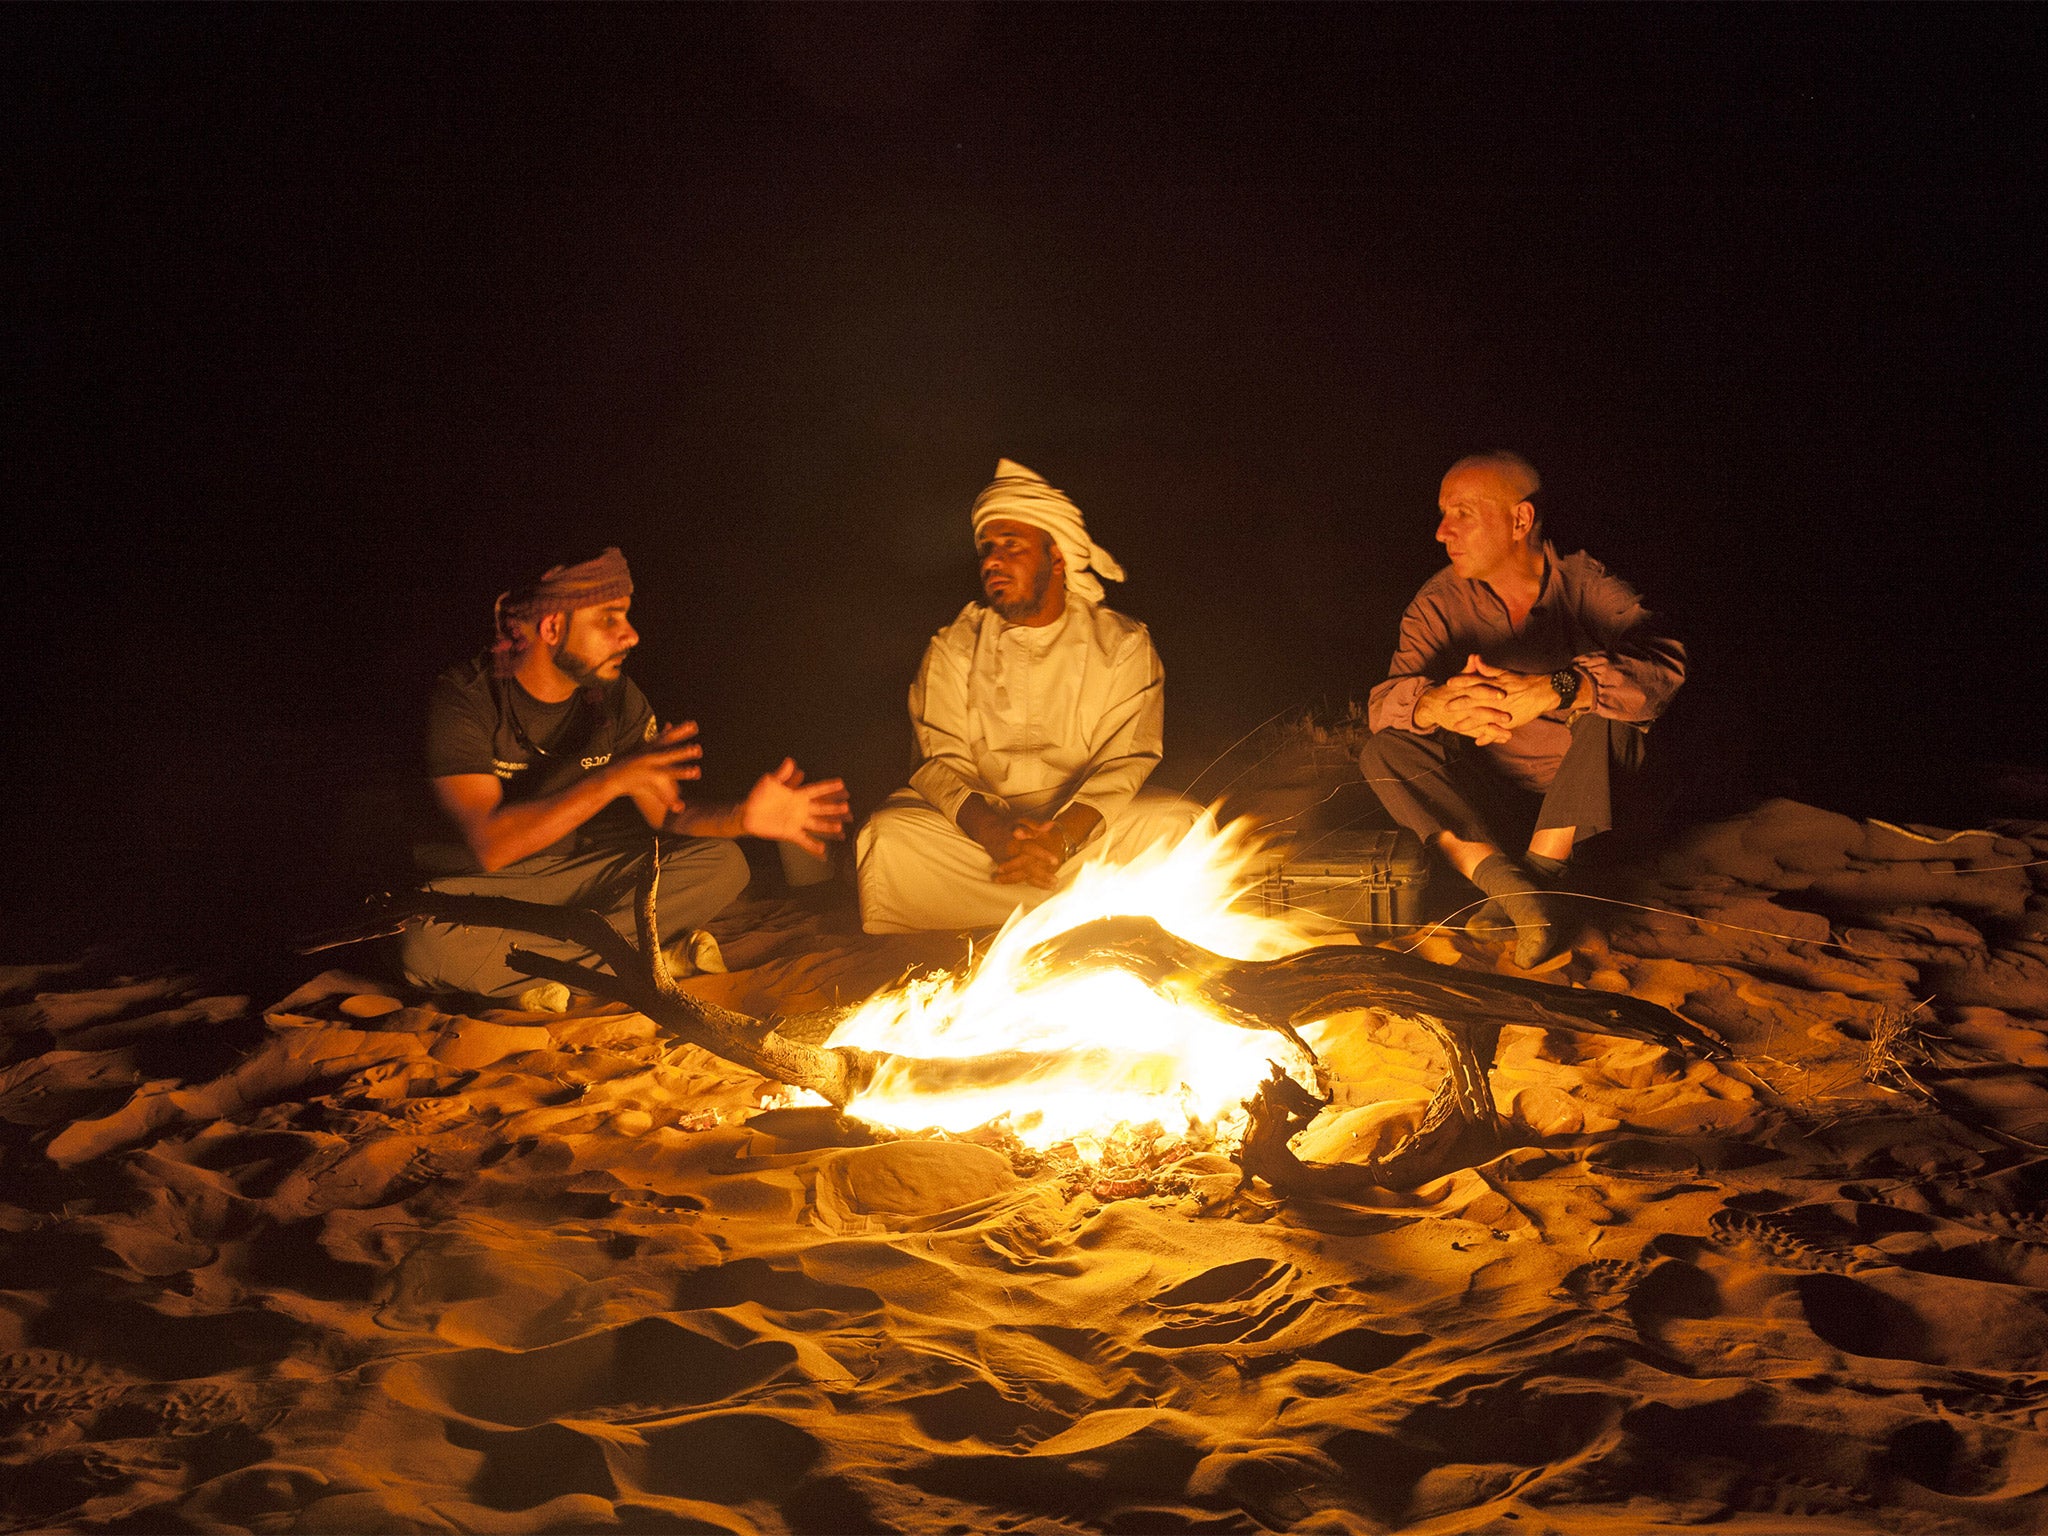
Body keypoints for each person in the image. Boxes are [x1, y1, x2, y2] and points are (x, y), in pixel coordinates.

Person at [401, 547, 849, 1006]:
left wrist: (743, 817)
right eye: (608, 620)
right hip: (477, 885)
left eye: (627, 618)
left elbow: (671, 813)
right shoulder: (466, 698)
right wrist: (614, 778)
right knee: (421, 944)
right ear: (553, 627)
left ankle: (545, 970)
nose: (630, 636)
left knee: (723, 861)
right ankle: (643, 963)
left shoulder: (613, 698)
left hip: (573, 874)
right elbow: (489, 845)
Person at [1361, 452, 1685, 966]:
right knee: (1384, 750)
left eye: (1462, 512)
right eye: (1443, 513)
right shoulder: (1437, 603)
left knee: (1611, 712)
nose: (1443, 532)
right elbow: (1384, 701)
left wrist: (1557, 687)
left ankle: (1540, 877)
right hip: (1496, 806)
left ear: (1520, 520)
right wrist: (1434, 704)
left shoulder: (1586, 583)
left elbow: (1663, 663)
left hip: (1590, 812)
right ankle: (1511, 888)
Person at [857, 459, 1197, 933]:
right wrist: (996, 835)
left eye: (1010, 546)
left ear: (1056, 558)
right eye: (986, 550)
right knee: (889, 836)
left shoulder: (1122, 642)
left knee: (1177, 825)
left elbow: (1128, 758)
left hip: (1081, 830)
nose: (991, 561)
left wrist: (1060, 837)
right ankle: (1077, 907)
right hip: (982, 833)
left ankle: (1016, 901)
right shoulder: (953, 647)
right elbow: (938, 763)